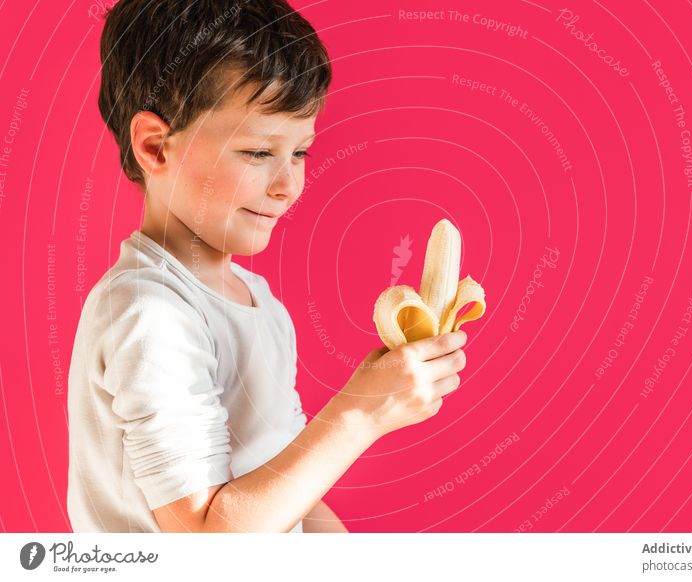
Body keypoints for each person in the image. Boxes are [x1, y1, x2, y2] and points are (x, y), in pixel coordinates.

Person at [67, 0, 467, 533]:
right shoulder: (150, 313)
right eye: (258, 153)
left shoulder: (260, 303)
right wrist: (363, 411)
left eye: (300, 153)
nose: (287, 185)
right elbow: (206, 545)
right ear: (156, 146)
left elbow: (287, 492)